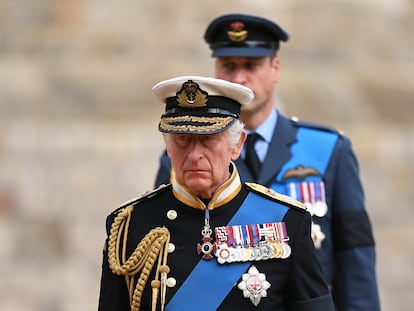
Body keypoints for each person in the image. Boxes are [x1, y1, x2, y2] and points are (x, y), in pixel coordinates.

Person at [154, 14, 380, 311]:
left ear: (275, 68)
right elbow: (167, 250)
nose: (238, 78)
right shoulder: (185, 159)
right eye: (228, 66)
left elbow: (355, 255)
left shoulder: (328, 150)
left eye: (251, 65)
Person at [99, 76, 335, 310]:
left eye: (208, 139)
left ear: (237, 144)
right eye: (182, 139)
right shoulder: (129, 226)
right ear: (167, 146)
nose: (194, 154)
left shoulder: (287, 221)